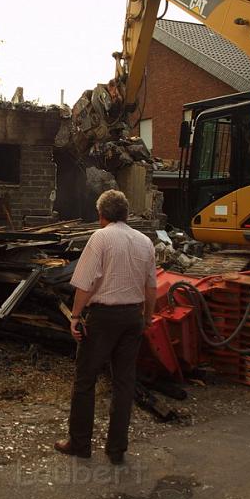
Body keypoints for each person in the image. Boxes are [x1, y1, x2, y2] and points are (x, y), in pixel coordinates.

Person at [54, 189, 156, 465]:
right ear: (125, 213)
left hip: (104, 318)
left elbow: (85, 284)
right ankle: (116, 448)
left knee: (86, 379)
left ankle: (79, 443)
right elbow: (151, 288)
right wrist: (147, 318)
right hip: (132, 317)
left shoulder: (100, 238)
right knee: (124, 382)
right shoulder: (146, 242)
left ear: (101, 215)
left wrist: (75, 317)